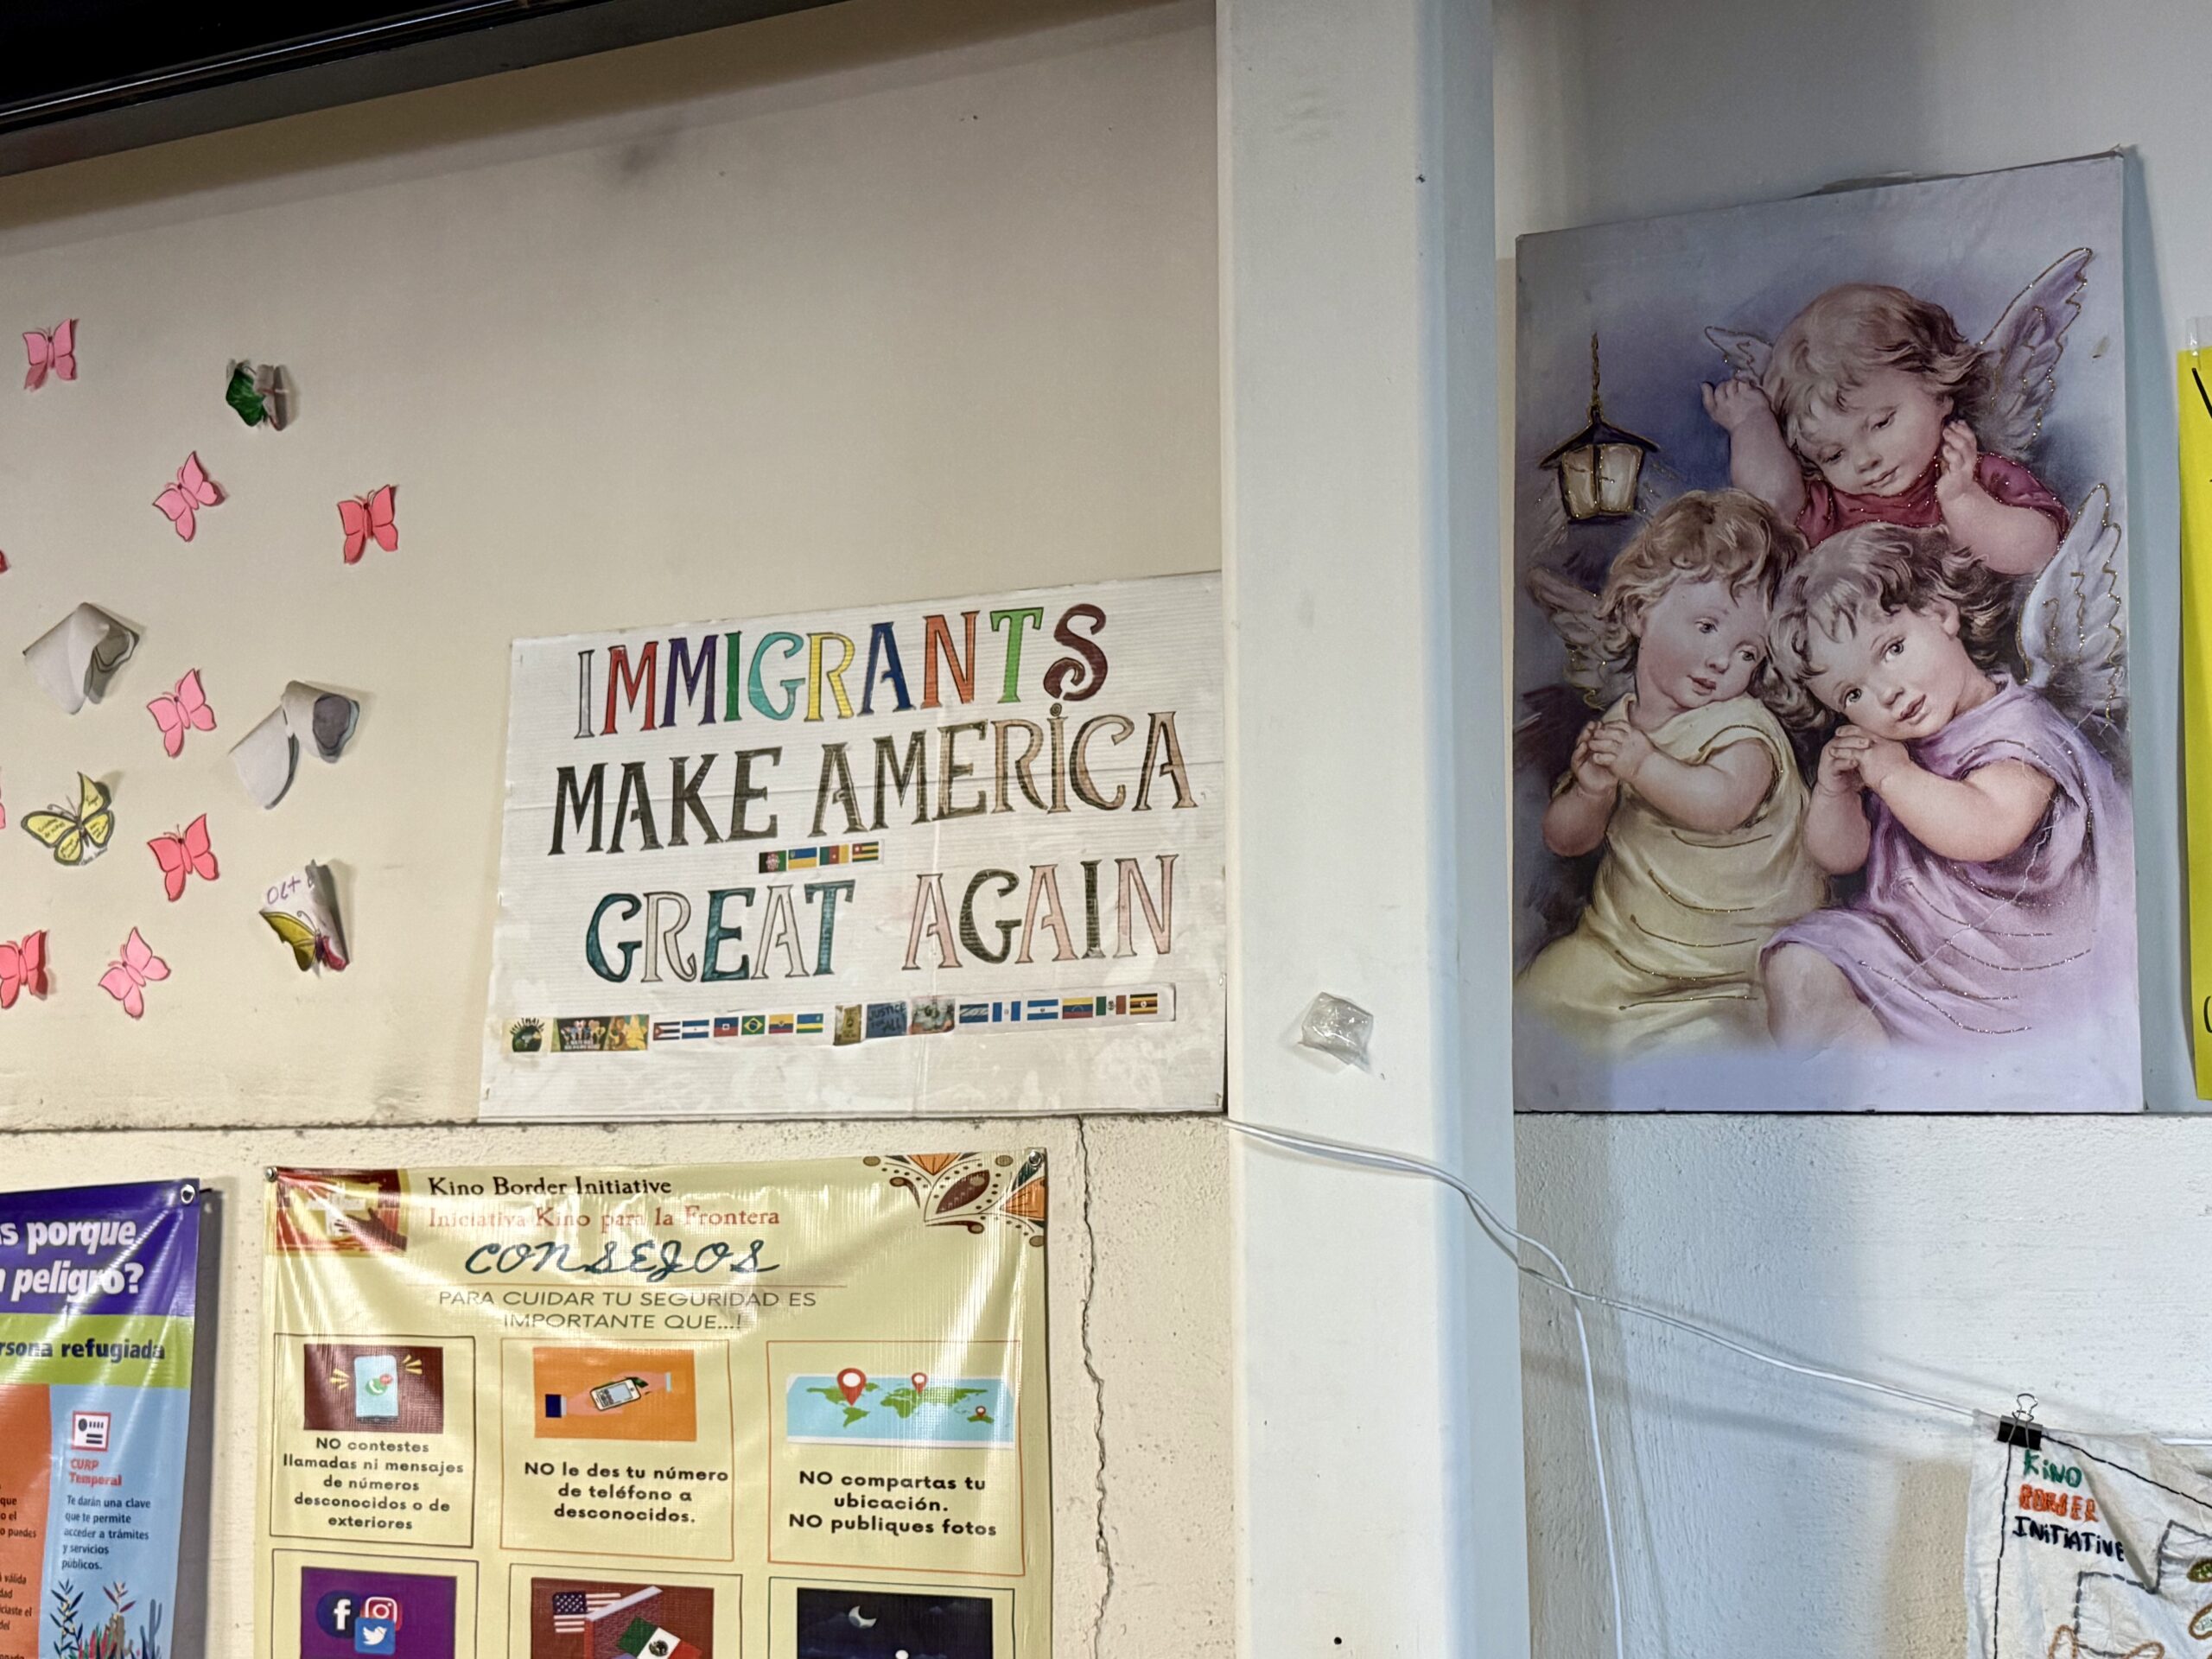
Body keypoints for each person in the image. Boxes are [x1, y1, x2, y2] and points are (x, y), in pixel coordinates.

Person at [1760, 522, 2131, 1048]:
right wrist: (1834, 793)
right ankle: (1858, 1097)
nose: (1887, 693)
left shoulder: (2020, 727)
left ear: (1940, 613)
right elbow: (1839, 858)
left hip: (2013, 972)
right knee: (1797, 967)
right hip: (1914, 949)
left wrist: (1894, 776)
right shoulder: (1895, 749)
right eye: (1852, 693)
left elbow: (1987, 828)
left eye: (1891, 650)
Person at [1519, 491, 1826, 1052]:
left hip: (1731, 972)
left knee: (1707, 1052)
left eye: (1749, 653)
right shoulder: (1622, 724)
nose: (1722, 661)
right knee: (1537, 1002)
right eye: (1707, 626)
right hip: (1621, 953)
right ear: (1641, 609)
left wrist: (1639, 763)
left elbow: (1720, 805)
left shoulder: (1743, 727)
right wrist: (1591, 790)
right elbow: (1565, 839)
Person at [1704, 283, 2066, 573]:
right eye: (1834, 454)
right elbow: (1769, 504)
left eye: (1880, 423)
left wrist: (1965, 503)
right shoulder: (1828, 508)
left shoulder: (1973, 475)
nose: (1864, 459)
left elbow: (2039, 551)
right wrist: (1750, 422)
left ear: (1939, 393)